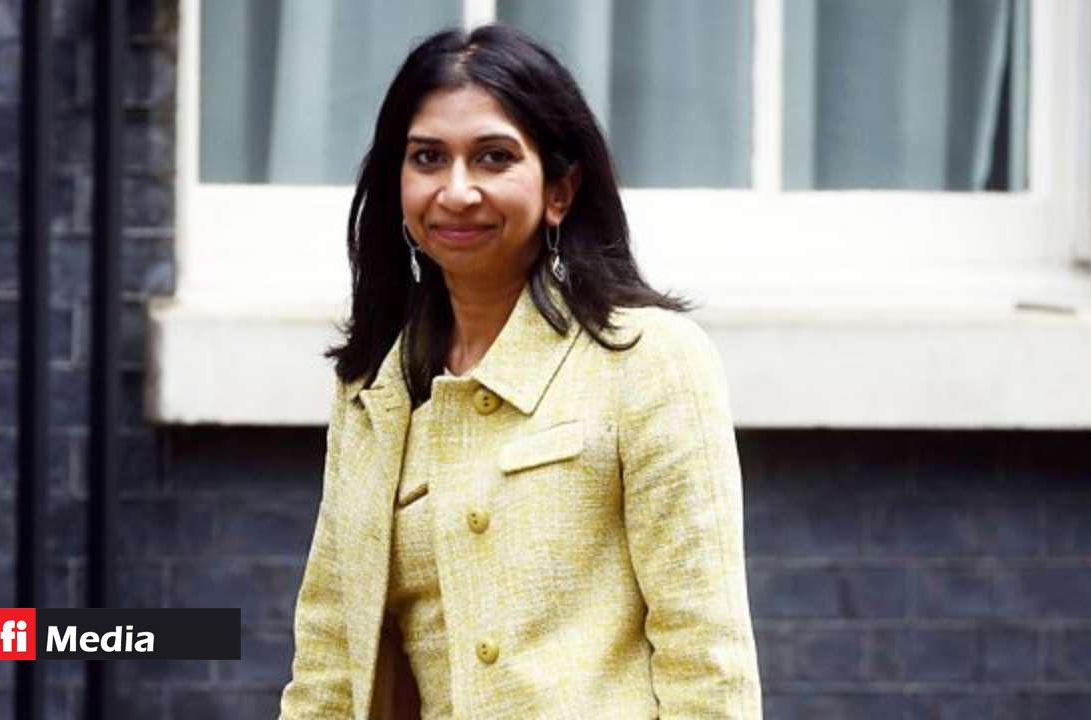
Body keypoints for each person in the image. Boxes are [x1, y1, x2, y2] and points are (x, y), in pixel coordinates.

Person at [279, 24, 761, 720]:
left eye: (494, 158)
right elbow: (328, 657)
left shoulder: (649, 360)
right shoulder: (373, 388)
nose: (457, 191)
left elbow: (707, 659)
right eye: (427, 158)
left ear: (559, 190)